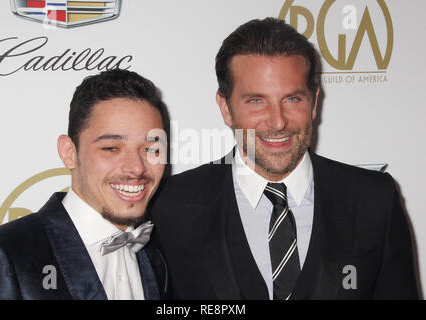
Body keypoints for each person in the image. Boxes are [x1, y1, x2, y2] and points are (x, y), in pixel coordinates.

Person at [151, 18, 419, 299]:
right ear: (225, 107)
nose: (278, 122)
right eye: (256, 100)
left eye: (292, 99)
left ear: (314, 102)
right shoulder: (171, 206)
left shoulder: (374, 200)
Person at [0, 69, 170, 300]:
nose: (137, 168)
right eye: (111, 148)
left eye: (151, 149)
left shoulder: (157, 255)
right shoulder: (4, 256)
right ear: (69, 152)